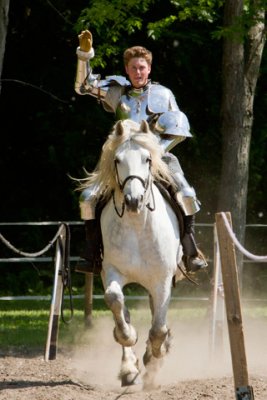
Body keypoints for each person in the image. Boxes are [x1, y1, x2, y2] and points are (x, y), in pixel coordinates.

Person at [74, 30, 207, 274]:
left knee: (187, 194)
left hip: (159, 155)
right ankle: (92, 253)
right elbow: (83, 87)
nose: (138, 72)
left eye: (142, 67)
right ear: (127, 69)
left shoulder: (163, 94)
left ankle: (190, 251)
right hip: (122, 157)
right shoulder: (117, 92)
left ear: (149, 69)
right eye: (133, 67)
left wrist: (154, 154)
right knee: (88, 198)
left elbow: (178, 129)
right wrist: (84, 56)